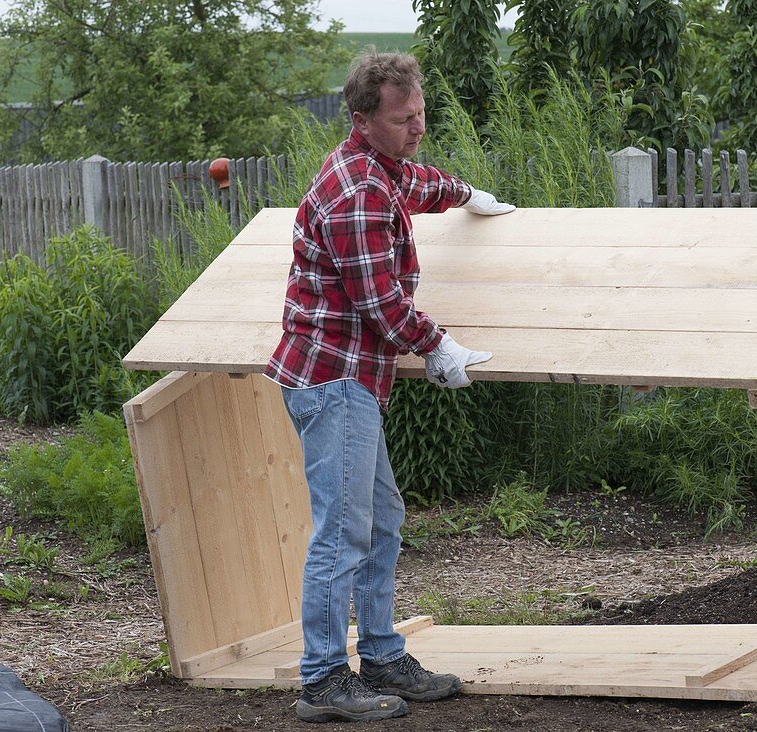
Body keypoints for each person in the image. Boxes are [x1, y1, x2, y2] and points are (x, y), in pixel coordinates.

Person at [264, 50, 515, 723]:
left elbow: (417, 182)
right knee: (343, 533)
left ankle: (380, 654)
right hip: (332, 378)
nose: (418, 128)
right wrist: (440, 347)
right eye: (404, 120)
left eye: (420, 115)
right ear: (363, 120)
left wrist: (466, 195)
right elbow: (380, 304)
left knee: (380, 523)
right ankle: (322, 681)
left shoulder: (380, 170)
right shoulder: (355, 193)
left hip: (352, 379)